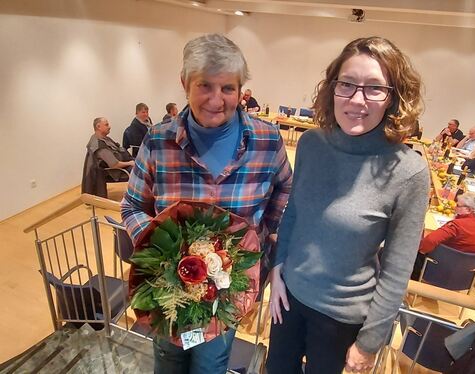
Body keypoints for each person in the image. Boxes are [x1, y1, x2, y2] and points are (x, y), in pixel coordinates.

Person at [120, 33, 293, 373]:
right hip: (167, 292)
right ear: (185, 83)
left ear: (241, 90)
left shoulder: (266, 140)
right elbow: (131, 207)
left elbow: (285, 196)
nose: (217, 99)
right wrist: (165, 247)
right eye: (205, 86)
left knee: (211, 363)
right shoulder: (158, 141)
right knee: (168, 361)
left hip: (227, 298)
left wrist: (262, 243)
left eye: (228, 88)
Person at [266, 37, 430, 374]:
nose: (357, 99)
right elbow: (294, 213)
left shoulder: (408, 170)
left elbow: (398, 270)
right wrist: (277, 268)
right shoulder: (312, 144)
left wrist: (370, 342)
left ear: (393, 98)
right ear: (333, 88)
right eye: (348, 84)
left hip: (342, 319)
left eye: (374, 88)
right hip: (289, 299)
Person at [411, 192, 475, 280]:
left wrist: (421, 251)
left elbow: (430, 240)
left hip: (441, 268)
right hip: (464, 274)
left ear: (468, 210)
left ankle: (413, 283)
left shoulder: (457, 225)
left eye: (458, 205)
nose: (455, 207)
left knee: (417, 247)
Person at [82, 117, 134, 198]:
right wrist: (130, 163)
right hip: (116, 172)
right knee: (142, 172)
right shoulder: (98, 145)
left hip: (123, 165)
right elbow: (114, 165)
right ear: (98, 127)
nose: (109, 127)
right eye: (106, 125)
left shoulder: (105, 139)